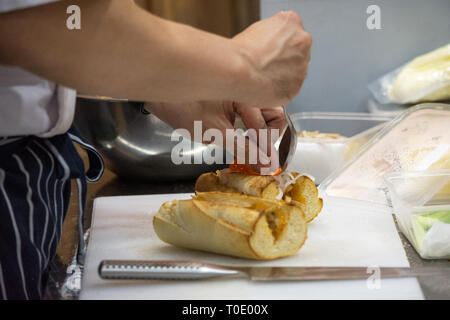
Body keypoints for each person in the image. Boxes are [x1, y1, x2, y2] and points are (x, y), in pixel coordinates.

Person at [0, 0, 312, 299]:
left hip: (32, 179)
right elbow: (36, 20)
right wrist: (243, 62)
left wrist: (167, 92)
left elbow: (66, 32)